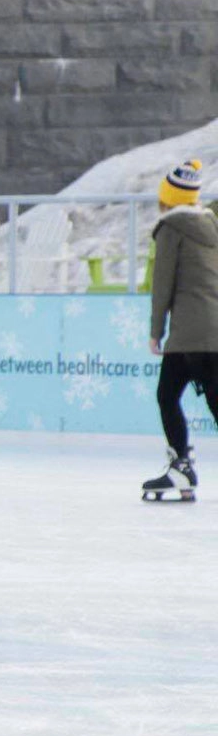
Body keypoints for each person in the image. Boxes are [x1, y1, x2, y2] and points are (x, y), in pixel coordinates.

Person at [143, 160, 218, 503]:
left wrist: (156, 330)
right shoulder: (210, 226)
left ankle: (181, 466)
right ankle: (181, 467)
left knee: (169, 396)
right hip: (210, 330)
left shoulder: (171, 229)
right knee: (178, 396)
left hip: (190, 332)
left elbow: (163, 285)